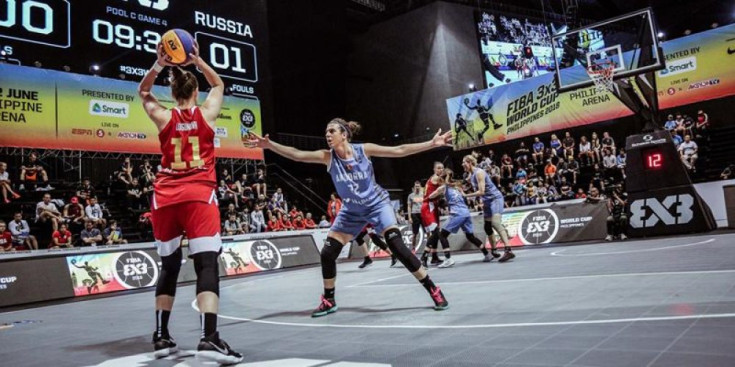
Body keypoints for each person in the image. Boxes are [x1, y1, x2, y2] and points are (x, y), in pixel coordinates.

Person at [247, 118, 452, 316]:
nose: (327, 135)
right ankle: (329, 299)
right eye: (326, 132)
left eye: (332, 131)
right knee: (328, 254)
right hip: (352, 211)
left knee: (396, 245)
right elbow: (297, 154)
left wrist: (432, 144)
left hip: (376, 204)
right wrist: (269, 145)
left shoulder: (364, 150)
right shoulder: (328, 157)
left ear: (343, 135)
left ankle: (433, 289)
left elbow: (399, 150)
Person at [138, 41, 241, 363]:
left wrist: (158, 65)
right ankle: (209, 338)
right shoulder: (207, 114)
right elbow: (219, 84)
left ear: (173, 93)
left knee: (168, 267)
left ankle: (161, 337)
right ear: (195, 91)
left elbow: (143, 92)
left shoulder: (163, 116)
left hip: (165, 196)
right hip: (198, 194)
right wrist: (198, 60)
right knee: (206, 265)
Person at [428, 169, 494, 267]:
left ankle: (448, 259)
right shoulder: (457, 186)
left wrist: (431, 186)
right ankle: (487, 254)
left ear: (442, 178)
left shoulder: (443, 188)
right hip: (466, 212)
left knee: (442, 235)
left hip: (457, 213)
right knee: (470, 236)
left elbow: (430, 196)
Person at [462, 155, 514, 262]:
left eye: (464, 162)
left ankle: (508, 250)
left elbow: (481, 191)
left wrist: (465, 195)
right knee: (487, 227)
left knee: (495, 223)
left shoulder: (479, 172)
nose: (463, 165)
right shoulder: (471, 175)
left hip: (495, 198)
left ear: (470, 162)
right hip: (487, 201)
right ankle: (494, 250)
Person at [419, 162, 451, 267]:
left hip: (433, 207)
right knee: (437, 233)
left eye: (442, 168)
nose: (441, 170)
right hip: (428, 207)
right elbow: (447, 184)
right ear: (434, 169)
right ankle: (424, 256)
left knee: (435, 234)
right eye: (438, 168)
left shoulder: (434, 178)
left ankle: (434, 257)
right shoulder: (437, 178)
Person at [406, 181, 424, 251]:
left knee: (428, 232)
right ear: (414, 187)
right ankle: (413, 248)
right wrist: (409, 217)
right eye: (416, 186)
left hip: (423, 214)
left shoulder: (423, 194)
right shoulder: (410, 196)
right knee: (415, 233)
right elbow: (409, 206)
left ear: (420, 187)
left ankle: (429, 247)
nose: (417, 187)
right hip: (414, 215)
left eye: (418, 186)